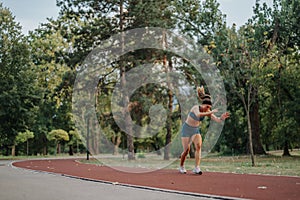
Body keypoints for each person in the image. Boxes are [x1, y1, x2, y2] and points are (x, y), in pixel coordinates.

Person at [179, 87, 230, 174]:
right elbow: (199, 114)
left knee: (198, 147)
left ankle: (197, 168)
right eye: (207, 106)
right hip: (186, 129)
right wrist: (210, 112)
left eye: (209, 107)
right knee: (186, 150)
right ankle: (181, 166)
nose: (208, 109)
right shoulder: (195, 108)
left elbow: (217, 119)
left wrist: (221, 118)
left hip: (195, 130)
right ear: (203, 104)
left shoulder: (208, 111)